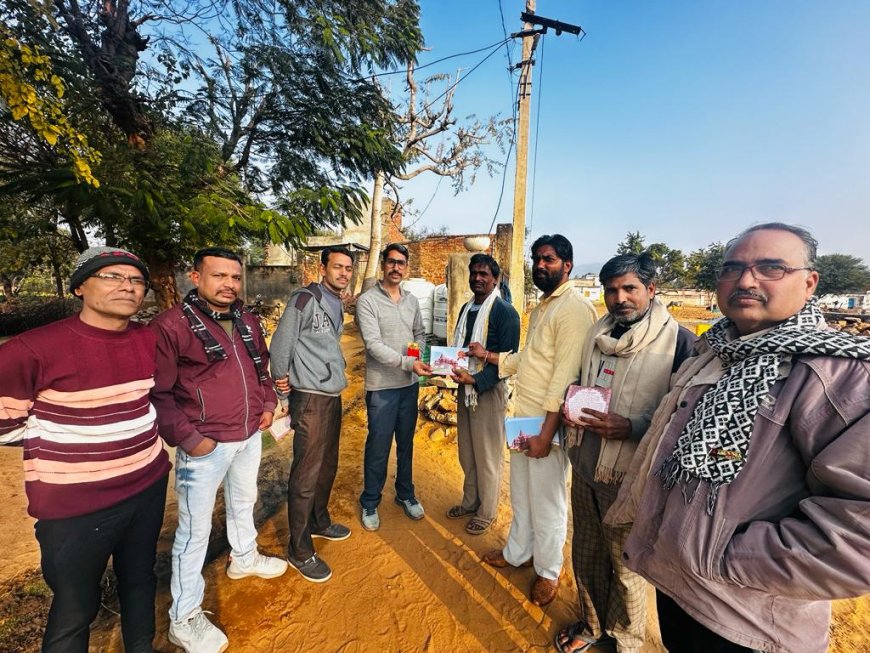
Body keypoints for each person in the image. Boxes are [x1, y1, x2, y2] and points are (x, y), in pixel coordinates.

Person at [607, 223, 870, 653]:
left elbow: (858, 531)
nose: (746, 280)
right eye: (733, 269)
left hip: (750, 620)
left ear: (810, 282)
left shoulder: (837, 378)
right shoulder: (713, 351)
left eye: (770, 268)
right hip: (679, 587)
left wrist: (725, 559)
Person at [0, 247, 171, 653]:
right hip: (75, 505)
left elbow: (146, 398)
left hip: (147, 485)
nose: (127, 286)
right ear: (80, 286)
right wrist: (77, 443)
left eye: (135, 280)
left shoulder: (147, 339)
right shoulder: (29, 350)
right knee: (76, 604)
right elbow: (5, 427)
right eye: (112, 276)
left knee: (139, 578)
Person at [555, 253, 695, 653]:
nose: (620, 298)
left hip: (631, 477)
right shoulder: (598, 335)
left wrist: (631, 426)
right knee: (586, 552)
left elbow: (682, 417)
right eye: (612, 290)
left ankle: (627, 641)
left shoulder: (678, 343)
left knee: (626, 564)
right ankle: (592, 624)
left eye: (630, 288)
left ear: (651, 290)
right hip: (585, 465)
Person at [150, 247, 286, 653]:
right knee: (194, 532)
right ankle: (184, 618)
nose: (229, 284)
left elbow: (260, 366)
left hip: (247, 436)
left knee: (245, 501)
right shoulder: (172, 326)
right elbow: (158, 393)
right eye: (219, 276)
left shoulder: (246, 319)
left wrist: (265, 406)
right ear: (195, 278)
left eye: (235, 277)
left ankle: (244, 557)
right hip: (204, 446)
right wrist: (191, 439)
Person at [469, 234, 597, 607]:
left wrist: (546, 433)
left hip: (547, 424)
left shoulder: (572, 308)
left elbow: (565, 376)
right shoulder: (544, 307)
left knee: (548, 500)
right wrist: (489, 356)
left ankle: (548, 569)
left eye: (549, 260)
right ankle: (518, 552)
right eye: (537, 259)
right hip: (523, 416)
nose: (540, 265)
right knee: (522, 492)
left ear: (567, 265)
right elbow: (529, 359)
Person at [270, 246, 355, 583]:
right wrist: (283, 393)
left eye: (348, 268)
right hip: (309, 398)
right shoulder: (304, 299)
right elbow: (280, 346)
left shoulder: (337, 303)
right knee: (306, 473)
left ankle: (319, 521)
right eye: (337, 267)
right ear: (323, 268)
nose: (344, 273)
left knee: (328, 464)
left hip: (331, 394)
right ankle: (300, 550)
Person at [356, 243, 432, 531]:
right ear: (383, 266)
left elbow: (420, 334)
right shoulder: (367, 301)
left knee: (406, 443)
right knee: (378, 445)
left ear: (406, 267)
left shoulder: (412, 301)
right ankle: (370, 501)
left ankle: (405, 494)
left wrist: (414, 358)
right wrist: (407, 363)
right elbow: (373, 345)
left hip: (408, 386)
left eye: (401, 263)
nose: (396, 267)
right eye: (391, 262)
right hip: (382, 388)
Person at [449, 253, 521, 535]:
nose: (478, 278)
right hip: (464, 389)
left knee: (488, 455)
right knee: (467, 452)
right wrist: (450, 370)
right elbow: (460, 350)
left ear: (496, 279)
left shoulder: (505, 313)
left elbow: (509, 361)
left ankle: (487, 511)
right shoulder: (467, 309)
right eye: (474, 273)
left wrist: (477, 380)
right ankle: (470, 501)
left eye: (484, 274)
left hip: (487, 391)